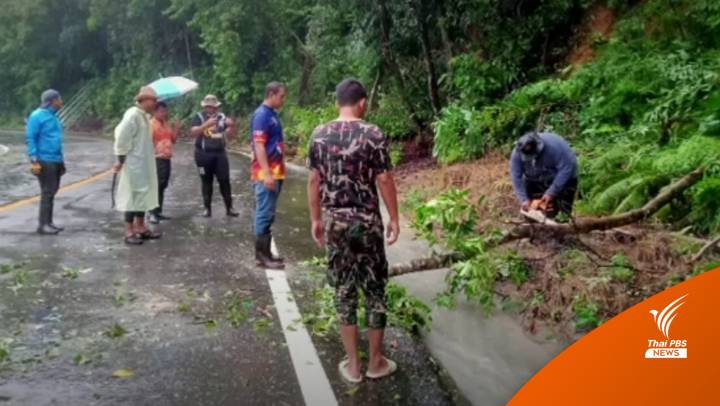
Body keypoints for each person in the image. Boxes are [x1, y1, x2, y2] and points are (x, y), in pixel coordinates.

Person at [307, 79, 400, 383]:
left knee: (344, 293)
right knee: (374, 292)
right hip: (368, 224)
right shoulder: (373, 133)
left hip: (336, 225)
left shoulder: (319, 135)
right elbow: (384, 179)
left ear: (338, 102)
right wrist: (394, 218)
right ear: (361, 103)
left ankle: (353, 366)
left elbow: (313, 181)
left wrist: (316, 220)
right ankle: (375, 363)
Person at [113, 86, 162, 245]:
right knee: (133, 195)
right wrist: (120, 160)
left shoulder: (145, 117)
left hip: (145, 162)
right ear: (144, 100)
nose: (155, 103)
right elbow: (121, 138)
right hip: (134, 163)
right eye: (153, 100)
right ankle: (129, 230)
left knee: (143, 193)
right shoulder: (132, 115)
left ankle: (140, 227)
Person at [250, 82, 288, 269]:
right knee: (264, 213)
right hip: (266, 173)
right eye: (281, 96)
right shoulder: (262, 115)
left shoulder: (272, 114)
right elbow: (259, 145)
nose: (283, 100)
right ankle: (261, 256)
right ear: (271, 94)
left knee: (269, 213)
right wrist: (267, 174)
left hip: (276, 171)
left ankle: (266, 253)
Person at [190, 95, 239, 218]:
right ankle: (207, 209)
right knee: (206, 181)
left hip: (220, 154)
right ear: (204, 107)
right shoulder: (199, 117)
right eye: (208, 107)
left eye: (213, 107)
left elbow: (231, 136)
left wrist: (232, 125)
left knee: (225, 180)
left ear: (217, 107)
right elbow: (193, 132)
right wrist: (206, 124)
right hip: (202, 155)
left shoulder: (222, 118)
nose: (210, 109)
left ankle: (229, 208)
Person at [510, 131, 579, 217]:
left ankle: (563, 224)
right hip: (534, 179)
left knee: (562, 212)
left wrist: (551, 192)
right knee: (532, 212)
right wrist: (524, 199)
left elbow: (566, 168)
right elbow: (516, 177)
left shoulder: (554, 147)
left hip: (563, 177)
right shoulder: (517, 154)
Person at [26, 89, 66, 235]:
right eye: (59, 98)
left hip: (56, 158)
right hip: (44, 159)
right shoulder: (37, 116)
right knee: (47, 192)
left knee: (52, 190)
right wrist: (33, 157)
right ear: (53, 100)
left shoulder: (54, 116)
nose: (61, 101)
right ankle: (43, 225)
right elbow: (31, 137)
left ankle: (49, 222)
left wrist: (61, 160)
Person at [148, 101, 180, 224]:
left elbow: (173, 140)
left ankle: (158, 211)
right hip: (156, 159)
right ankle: (152, 213)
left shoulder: (166, 124)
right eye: (161, 111)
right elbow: (147, 143)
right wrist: (154, 154)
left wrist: (176, 128)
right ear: (154, 111)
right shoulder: (151, 124)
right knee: (155, 185)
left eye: (165, 111)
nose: (164, 113)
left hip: (166, 158)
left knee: (162, 185)